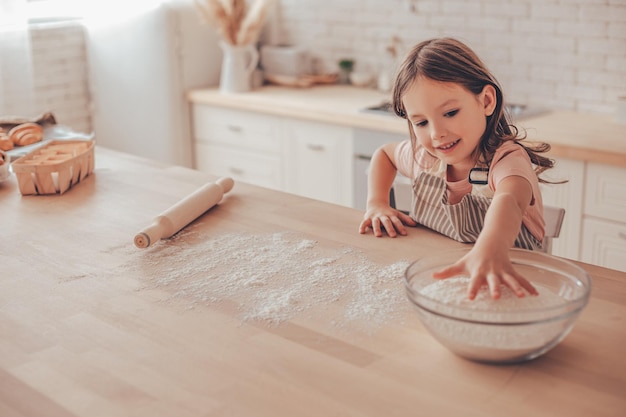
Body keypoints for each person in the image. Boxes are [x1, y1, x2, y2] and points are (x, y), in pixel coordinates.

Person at [358, 37, 555, 300]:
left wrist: (489, 249)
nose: (437, 133)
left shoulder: (506, 160)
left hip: (515, 285)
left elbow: (509, 201)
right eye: (421, 122)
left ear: (486, 101)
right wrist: (377, 203)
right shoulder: (426, 158)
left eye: (450, 113)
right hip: (446, 280)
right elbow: (384, 154)